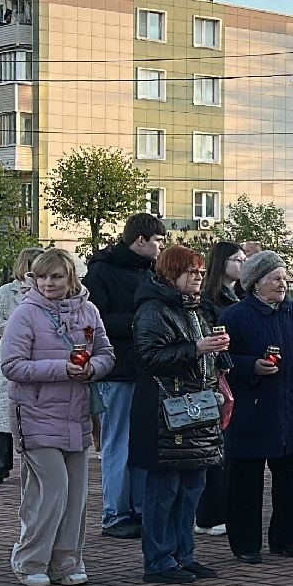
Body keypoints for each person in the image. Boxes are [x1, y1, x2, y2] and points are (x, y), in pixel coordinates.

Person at [0, 248, 114, 586]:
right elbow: (12, 365)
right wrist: (61, 369)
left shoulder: (89, 311)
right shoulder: (25, 314)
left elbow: (106, 353)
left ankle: (66, 561)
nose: (48, 283)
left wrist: (91, 369)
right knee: (51, 489)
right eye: (42, 276)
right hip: (35, 412)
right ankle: (30, 560)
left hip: (76, 414)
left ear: (70, 277)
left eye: (56, 276)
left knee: (76, 493)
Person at [219, 250, 293, 564]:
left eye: (284, 277)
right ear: (255, 283)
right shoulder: (235, 316)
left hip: (292, 408)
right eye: (275, 278)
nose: (283, 284)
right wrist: (249, 366)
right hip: (250, 411)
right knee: (245, 481)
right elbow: (220, 358)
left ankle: (286, 538)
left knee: (291, 480)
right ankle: (245, 544)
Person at [130, 244, 228, 584]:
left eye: (201, 272)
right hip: (165, 412)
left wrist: (218, 353)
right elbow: (148, 358)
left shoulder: (197, 309)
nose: (199, 278)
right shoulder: (153, 309)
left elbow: (200, 355)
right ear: (171, 274)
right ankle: (159, 560)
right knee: (164, 490)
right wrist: (196, 348)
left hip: (196, 408)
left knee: (191, 488)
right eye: (191, 272)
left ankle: (184, 555)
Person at [85, 213, 165, 539]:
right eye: (157, 241)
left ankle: (140, 507)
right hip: (118, 370)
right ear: (140, 240)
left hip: (144, 368)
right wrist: (139, 322)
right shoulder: (102, 271)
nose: (161, 247)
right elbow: (93, 321)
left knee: (141, 442)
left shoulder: (149, 271)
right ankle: (115, 513)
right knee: (117, 441)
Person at [193, 241, 246, 538]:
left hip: (240, 375)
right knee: (215, 448)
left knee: (230, 450)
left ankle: (222, 509)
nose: (242, 265)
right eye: (237, 259)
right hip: (219, 376)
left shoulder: (242, 296)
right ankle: (210, 513)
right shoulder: (208, 300)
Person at [0, 247, 43, 486]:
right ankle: (0, 465)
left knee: (35, 411)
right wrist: (18, 327)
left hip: (38, 355)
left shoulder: (46, 292)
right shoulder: (5, 292)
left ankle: (34, 464)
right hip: (10, 353)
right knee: (3, 412)